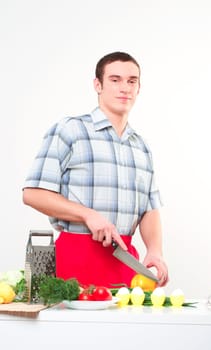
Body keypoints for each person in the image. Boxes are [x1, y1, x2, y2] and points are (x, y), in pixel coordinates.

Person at [23, 51, 168, 288]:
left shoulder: (141, 147)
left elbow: (149, 209)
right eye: (115, 79)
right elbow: (32, 193)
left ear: (139, 88)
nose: (125, 88)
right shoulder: (70, 130)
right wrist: (87, 215)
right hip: (73, 266)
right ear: (97, 85)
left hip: (126, 267)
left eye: (132, 81)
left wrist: (155, 250)